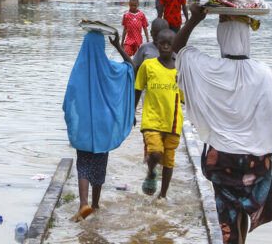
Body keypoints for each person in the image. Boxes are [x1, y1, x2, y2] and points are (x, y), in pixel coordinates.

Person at [172, 3, 272, 243]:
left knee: (228, 217)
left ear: (221, 37)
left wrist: (194, 20)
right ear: (246, 37)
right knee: (242, 215)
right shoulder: (262, 72)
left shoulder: (207, 68)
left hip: (221, 158)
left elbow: (177, 50)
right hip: (254, 160)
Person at [63, 31, 135, 222]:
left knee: (84, 164)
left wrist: (74, 119)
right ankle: (95, 204)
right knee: (100, 164)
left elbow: (69, 98)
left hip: (85, 125)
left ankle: (83, 204)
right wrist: (119, 47)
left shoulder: (80, 67)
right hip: (104, 125)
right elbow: (131, 68)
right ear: (102, 47)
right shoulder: (110, 68)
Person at [133, 28, 184, 199]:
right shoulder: (148, 66)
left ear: (175, 45)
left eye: (170, 44)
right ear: (156, 44)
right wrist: (131, 112)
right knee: (155, 153)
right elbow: (138, 89)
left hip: (173, 122)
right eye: (162, 43)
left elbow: (186, 97)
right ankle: (151, 170)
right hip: (152, 119)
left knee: (169, 160)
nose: (166, 47)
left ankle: (162, 195)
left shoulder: (180, 69)